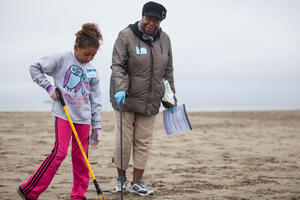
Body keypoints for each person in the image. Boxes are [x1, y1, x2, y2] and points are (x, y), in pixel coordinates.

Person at [18, 23, 103, 200]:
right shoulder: (62, 58)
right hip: (64, 114)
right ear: (76, 47)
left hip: (84, 118)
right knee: (59, 153)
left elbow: (95, 100)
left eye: (93, 55)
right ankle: (29, 190)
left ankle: (78, 195)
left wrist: (97, 126)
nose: (89, 58)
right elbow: (35, 68)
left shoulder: (93, 70)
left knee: (81, 158)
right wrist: (48, 87)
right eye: (86, 54)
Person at [110, 1, 176, 196]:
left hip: (151, 100)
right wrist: (121, 89)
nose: (152, 23)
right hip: (126, 100)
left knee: (144, 141)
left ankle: (137, 181)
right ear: (142, 16)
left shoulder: (165, 40)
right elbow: (117, 66)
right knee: (123, 141)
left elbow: (168, 71)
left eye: (156, 20)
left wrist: (170, 99)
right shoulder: (125, 35)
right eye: (149, 18)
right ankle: (121, 179)